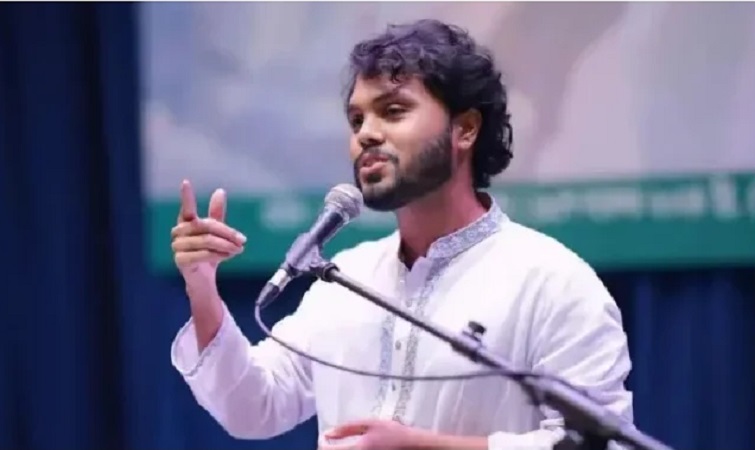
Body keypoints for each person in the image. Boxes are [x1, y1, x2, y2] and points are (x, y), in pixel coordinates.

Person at [170, 19, 634, 450]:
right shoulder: (346, 279)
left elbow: (602, 444)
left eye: (393, 111)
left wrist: (422, 446)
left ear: (465, 129)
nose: (366, 135)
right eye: (357, 120)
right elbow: (254, 406)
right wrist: (202, 287)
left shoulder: (552, 282)